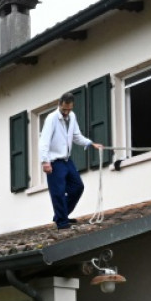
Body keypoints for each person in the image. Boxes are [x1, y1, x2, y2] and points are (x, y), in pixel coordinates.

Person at [39, 92, 103, 230]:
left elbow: (76, 136)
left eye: (69, 109)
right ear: (59, 105)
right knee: (59, 192)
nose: (66, 112)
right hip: (54, 161)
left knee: (77, 187)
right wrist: (45, 161)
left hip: (67, 160)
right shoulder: (51, 119)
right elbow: (43, 141)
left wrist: (91, 143)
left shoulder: (72, 117)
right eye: (64, 110)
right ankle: (62, 222)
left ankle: (61, 215)